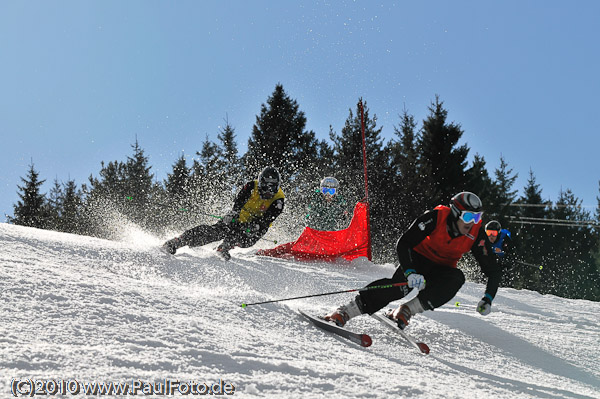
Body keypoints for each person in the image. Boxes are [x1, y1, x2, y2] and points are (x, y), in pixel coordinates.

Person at [324, 191, 502, 329]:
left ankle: (407, 310)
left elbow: (493, 270)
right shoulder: (435, 218)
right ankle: (345, 311)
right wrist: (409, 271)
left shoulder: (476, 233)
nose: (472, 223)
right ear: (455, 213)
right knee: (399, 287)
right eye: (469, 217)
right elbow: (404, 243)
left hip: (441, 270)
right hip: (418, 260)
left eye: (477, 217)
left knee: (456, 278)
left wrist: (488, 297)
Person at [162, 166, 285, 260]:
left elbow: (269, 218)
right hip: (238, 217)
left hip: (258, 225)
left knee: (248, 239)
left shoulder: (278, 200)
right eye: (265, 187)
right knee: (216, 232)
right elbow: (239, 201)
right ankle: (178, 241)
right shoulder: (251, 186)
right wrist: (234, 213)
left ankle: (225, 246)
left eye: (272, 188)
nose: (269, 192)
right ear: (260, 183)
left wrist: (257, 225)